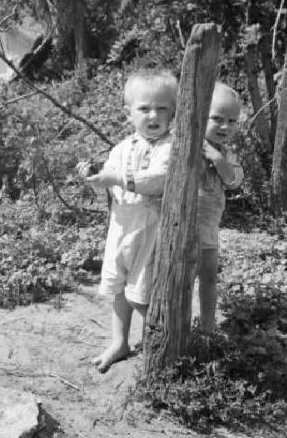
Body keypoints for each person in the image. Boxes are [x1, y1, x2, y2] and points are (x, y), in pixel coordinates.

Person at [77, 69, 178, 372]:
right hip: (121, 227)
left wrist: (117, 178)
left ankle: (161, 347)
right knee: (119, 287)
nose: (153, 115)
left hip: (151, 229)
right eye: (144, 108)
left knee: (142, 293)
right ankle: (119, 342)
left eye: (162, 108)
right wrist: (93, 177)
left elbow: (159, 180)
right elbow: (106, 182)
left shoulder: (171, 145)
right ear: (129, 113)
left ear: (173, 112)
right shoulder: (121, 148)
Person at [197, 82, 244, 333]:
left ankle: (207, 327)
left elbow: (234, 180)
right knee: (178, 281)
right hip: (178, 228)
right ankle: (177, 326)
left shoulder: (227, 154)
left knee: (208, 279)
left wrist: (216, 158)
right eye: (217, 118)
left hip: (208, 231)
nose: (225, 126)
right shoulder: (185, 145)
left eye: (232, 121)